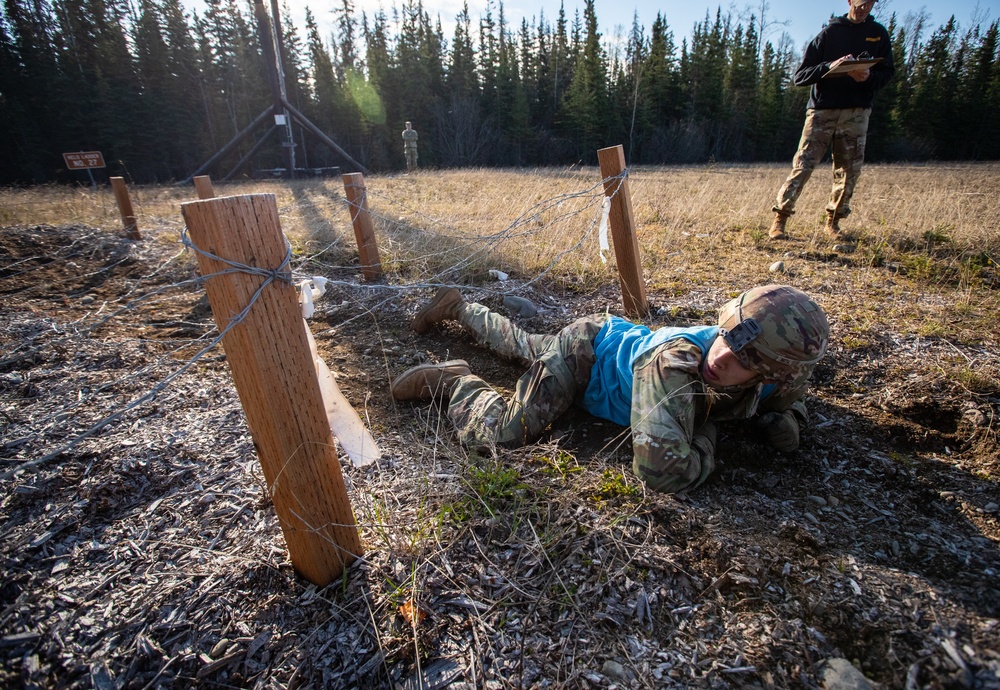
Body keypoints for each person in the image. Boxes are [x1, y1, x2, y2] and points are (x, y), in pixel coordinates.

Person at [391, 285, 830, 494]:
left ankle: (460, 307)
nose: (719, 359)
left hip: (609, 344)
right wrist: (708, 436)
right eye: (725, 338)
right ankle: (454, 382)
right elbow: (661, 472)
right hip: (587, 353)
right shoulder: (676, 364)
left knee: (524, 346)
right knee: (507, 432)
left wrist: (791, 419)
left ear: (772, 376)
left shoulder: (782, 373)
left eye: (744, 362)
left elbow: (793, 398)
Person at [769, 0, 894, 241]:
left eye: (870, 3)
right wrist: (829, 67)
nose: (865, 7)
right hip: (822, 111)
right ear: (849, 1)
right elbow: (801, 76)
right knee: (803, 165)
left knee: (848, 171)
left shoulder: (878, 34)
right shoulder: (829, 33)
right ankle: (780, 219)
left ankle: (833, 223)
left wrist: (868, 77)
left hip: (856, 112)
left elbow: (888, 73)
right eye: (860, 2)